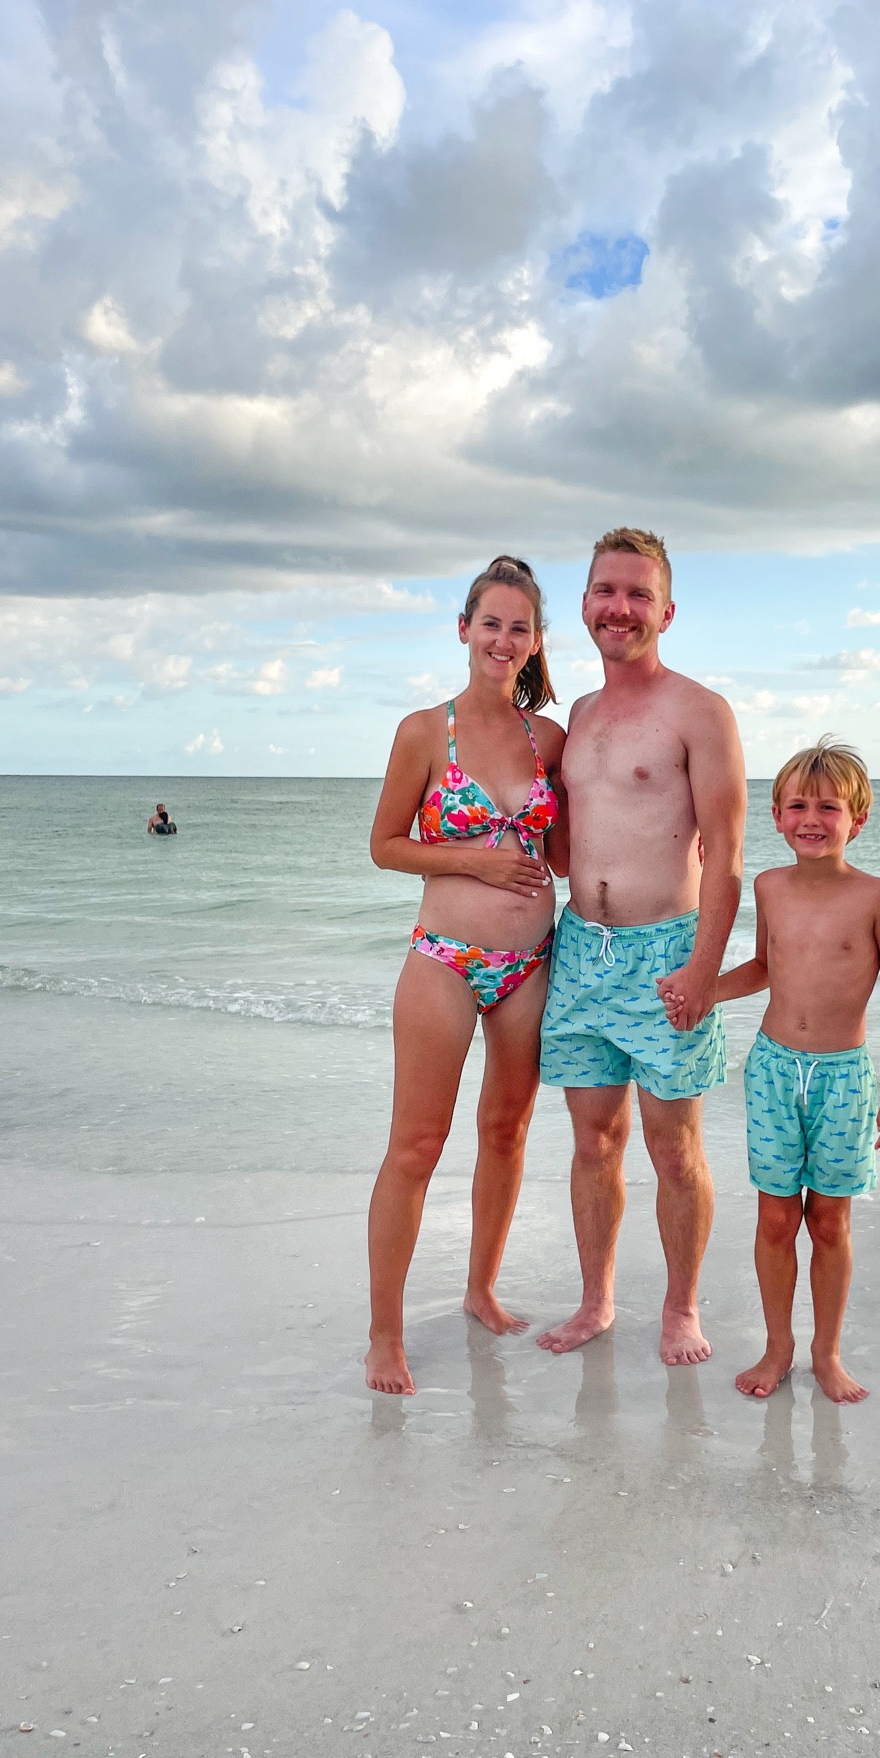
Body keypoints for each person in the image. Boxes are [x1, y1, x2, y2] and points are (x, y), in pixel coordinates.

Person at [535, 527, 746, 1367]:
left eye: (636, 593)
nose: (618, 607)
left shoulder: (700, 712)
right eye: (604, 591)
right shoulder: (578, 717)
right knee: (593, 1142)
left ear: (666, 609)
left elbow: (726, 857)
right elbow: (564, 839)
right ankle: (596, 1301)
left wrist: (704, 970)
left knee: (673, 1146)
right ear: (584, 604)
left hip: (668, 955)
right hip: (580, 954)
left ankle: (682, 1308)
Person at [365, 555, 567, 1395]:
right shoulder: (424, 731)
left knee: (507, 1131)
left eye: (519, 627)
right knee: (416, 1144)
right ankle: (384, 1334)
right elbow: (385, 845)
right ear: (464, 629)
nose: (503, 638)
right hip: (444, 959)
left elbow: (565, 851)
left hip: (531, 963)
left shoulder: (547, 739)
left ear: (534, 642)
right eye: (491, 623)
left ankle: (480, 1288)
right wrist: (477, 867)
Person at [682, 737, 880, 1403]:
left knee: (831, 1223)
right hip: (774, 1068)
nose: (811, 818)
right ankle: (778, 1346)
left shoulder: (876, 897)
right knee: (778, 1219)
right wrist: (707, 991)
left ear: (856, 820)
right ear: (778, 817)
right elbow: (764, 966)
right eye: (797, 806)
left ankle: (827, 1352)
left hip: (844, 1075)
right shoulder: (769, 886)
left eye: (828, 808)